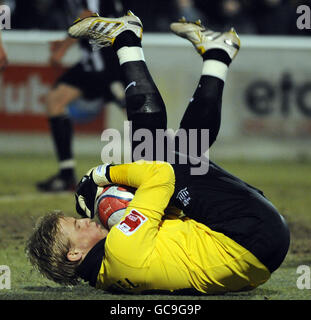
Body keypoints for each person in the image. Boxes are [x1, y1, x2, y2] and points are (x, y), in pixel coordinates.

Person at [26, 11, 290, 294]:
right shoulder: (120, 249)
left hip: (258, 253)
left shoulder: (109, 276)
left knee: (184, 150)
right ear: (74, 254)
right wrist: (100, 175)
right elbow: (161, 174)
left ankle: (217, 55)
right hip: (249, 231)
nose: (87, 221)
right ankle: (125, 38)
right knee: (152, 153)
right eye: (78, 226)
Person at [36, 0, 125, 192]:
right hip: (90, 66)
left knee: (138, 115)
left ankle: (173, 164)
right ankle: (66, 175)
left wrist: (63, 48)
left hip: (110, 66)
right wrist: (65, 40)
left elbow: (87, 17)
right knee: (55, 100)